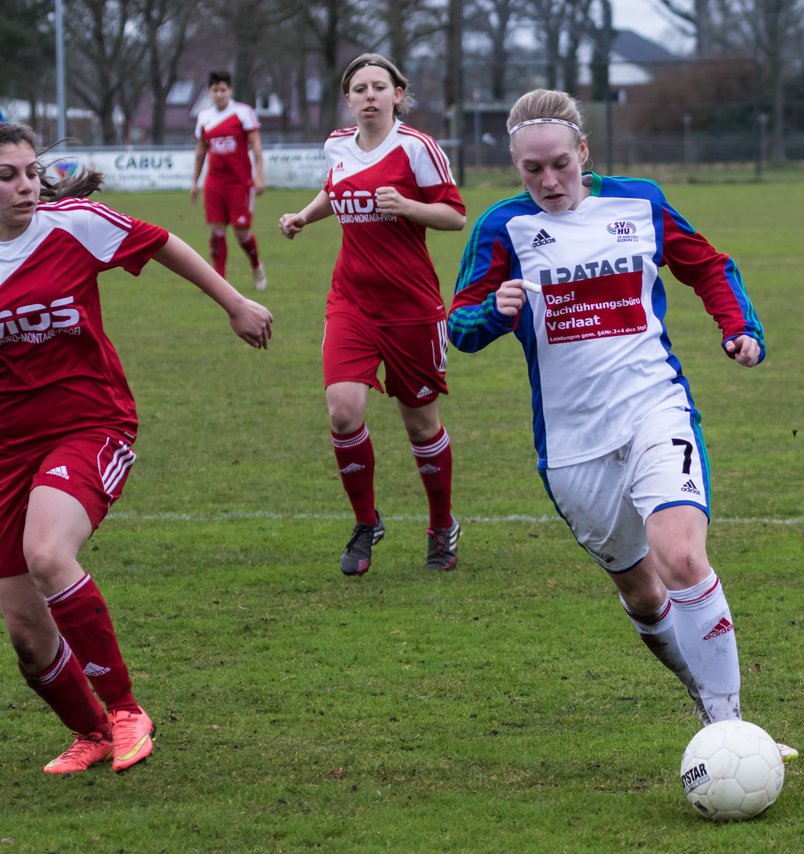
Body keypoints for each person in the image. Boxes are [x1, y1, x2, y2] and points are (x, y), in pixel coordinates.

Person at [448, 89, 794, 758]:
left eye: (559, 165)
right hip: (573, 447)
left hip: (653, 407)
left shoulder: (639, 202)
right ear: (516, 166)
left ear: (583, 151)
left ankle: (730, 732)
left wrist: (740, 327)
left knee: (682, 556)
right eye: (531, 170)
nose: (548, 181)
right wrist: (493, 310)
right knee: (642, 593)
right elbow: (457, 328)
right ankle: (706, 701)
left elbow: (710, 266)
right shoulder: (501, 229)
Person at [0, 121, 273, 774]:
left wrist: (234, 302)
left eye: (29, 172)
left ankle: (126, 710)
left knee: (47, 551)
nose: (23, 186)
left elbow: (162, 242)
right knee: (26, 633)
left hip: (90, 423)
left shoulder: (73, 225)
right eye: (7, 176)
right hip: (10, 445)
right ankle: (92, 733)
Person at [278, 54, 466, 576]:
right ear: (348, 98)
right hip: (351, 302)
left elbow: (454, 215)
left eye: (378, 87)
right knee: (342, 410)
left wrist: (408, 207)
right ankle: (366, 523)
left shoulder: (417, 147)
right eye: (358, 88)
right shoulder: (337, 144)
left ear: (398, 94)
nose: (368, 96)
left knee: (421, 425)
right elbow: (334, 190)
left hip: (411, 308)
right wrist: (304, 216)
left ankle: (441, 525)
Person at [192, 71, 268, 291]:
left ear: (230, 90)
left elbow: (256, 146)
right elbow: (200, 152)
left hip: (240, 183)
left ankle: (256, 266)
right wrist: (194, 183)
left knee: (241, 232)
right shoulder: (204, 117)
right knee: (216, 230)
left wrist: (260, 176)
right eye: (215, 90)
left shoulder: (243, 113)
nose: (219, 94)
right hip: (214, 183)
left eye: (223, 89)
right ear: (209, 92)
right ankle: (220, 282)